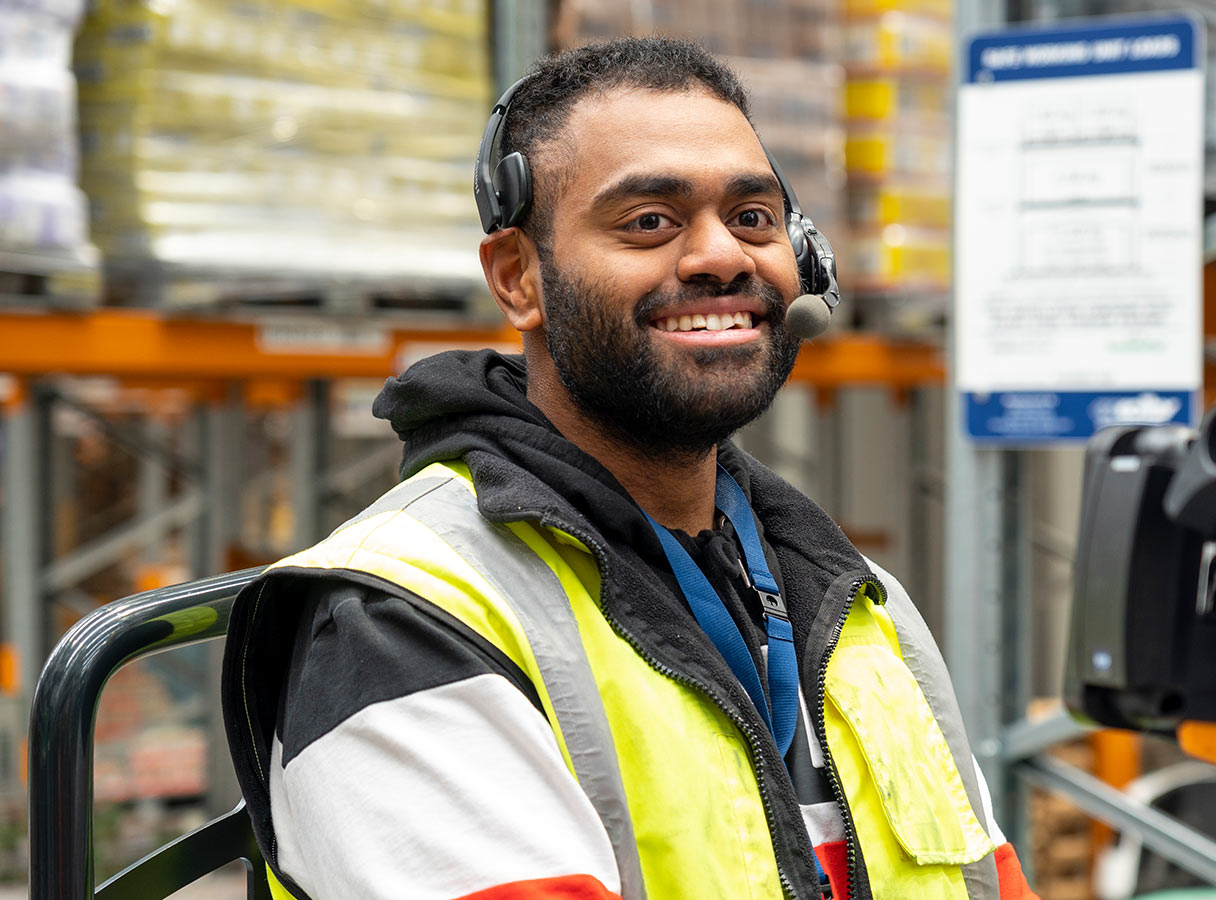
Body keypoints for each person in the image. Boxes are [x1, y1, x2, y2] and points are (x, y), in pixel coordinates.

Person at [221, 37, 1039, 900]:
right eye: (649, 221)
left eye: (753, 218)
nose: (722, 255)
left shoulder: (858, 606)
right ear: (518, 278)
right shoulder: (403, 625)